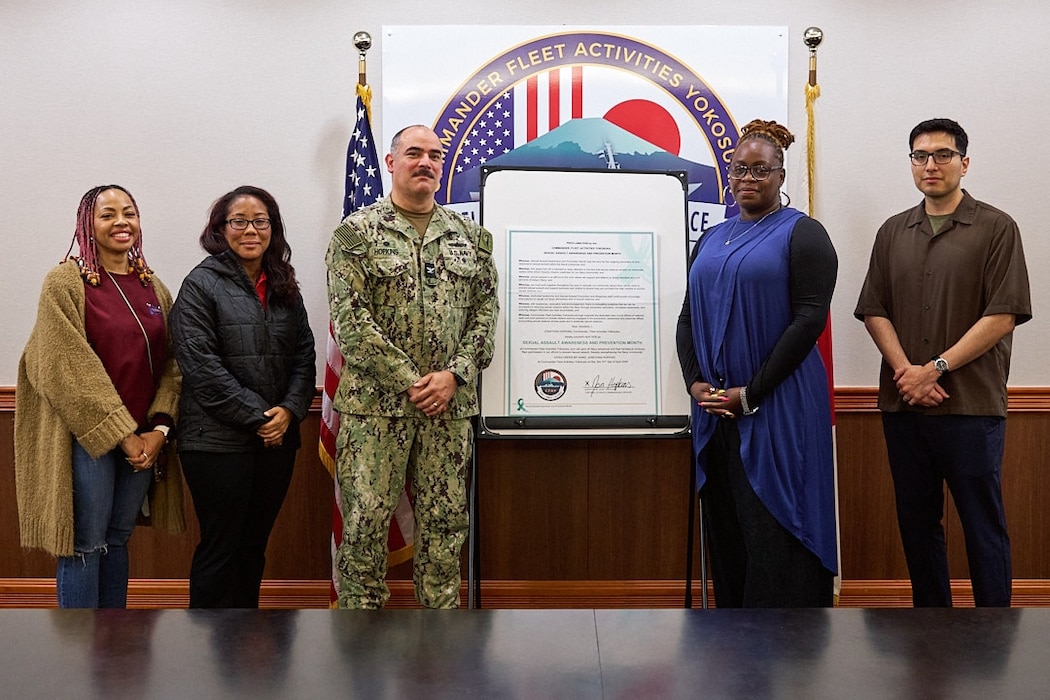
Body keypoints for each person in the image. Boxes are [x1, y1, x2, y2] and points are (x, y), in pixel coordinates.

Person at [855, 118, 1031, 607]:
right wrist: (907, 374)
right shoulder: (893, 231)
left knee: (983, 527)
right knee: (916, 524)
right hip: (904, 406)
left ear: (964, 163)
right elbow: (874, 309)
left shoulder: (996, 227)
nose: (930, 165)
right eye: (920, 156)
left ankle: (994, 635)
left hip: (970, 407)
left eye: (942, 155)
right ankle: (931, 631)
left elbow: (1004, 314)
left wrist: (934, 368)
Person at [326, 124, 499, 609]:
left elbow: (486, 315)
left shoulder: (473, 239)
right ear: (391, 162)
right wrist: (410, 381)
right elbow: (350, 319)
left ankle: (439, 642)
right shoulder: (355, 234)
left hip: (449, 408)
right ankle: (359, 641)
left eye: (435, 156)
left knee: (445, 525)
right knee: (363, 525)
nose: (426, 162)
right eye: (415, 153)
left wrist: (452, 375)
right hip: (375, 411)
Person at [676, 119, 838, 607]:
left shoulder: (804, 234)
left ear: (781, 175)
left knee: (775, 524)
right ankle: (735, 647)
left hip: (778, 406)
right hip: (717, 411)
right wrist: (695, 382)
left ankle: (786, 653)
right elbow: (688, 315)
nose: (748, 177)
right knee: (729, 526)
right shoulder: (711, 238)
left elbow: (809, 321)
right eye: (740, 168)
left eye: (761, 170)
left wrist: (752, 392)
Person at [15, 184, 183, 608]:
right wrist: (122, 434)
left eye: (129, 212)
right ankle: (78, 659)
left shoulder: (154, 288)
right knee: (86, 543)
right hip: (87, 439)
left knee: (118, 538)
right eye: (108, 214)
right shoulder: (64, 282)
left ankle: (114, 646)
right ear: (86, 224)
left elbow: (173, 363)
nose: (121, 222)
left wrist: (158, 430)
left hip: (143, 442)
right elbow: (65, 367)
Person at [171, 185, 316, 608]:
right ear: (221, 229)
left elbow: (304, 356)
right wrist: (260, 417)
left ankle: (241, 649)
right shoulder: (200, 284)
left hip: (276, 442)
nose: (250, 230)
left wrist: (289, 411)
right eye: (239, 221)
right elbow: (200, 367)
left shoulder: (285, 284)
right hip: (215, 443)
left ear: (273, 228)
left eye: (260, 221)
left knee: (253, 546)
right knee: (222, 548)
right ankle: (207, 656)